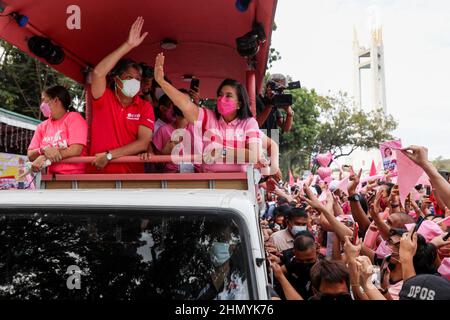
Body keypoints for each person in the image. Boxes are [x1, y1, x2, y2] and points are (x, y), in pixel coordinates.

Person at [154, 53, 261, 173]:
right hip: (209, 184)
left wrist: (221, 151)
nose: (222, 98)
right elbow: (185, 104)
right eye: (220, 95)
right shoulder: (208, 117)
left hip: (237, 185)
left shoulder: (249, 123)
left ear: (239, 104)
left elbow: (254, 155)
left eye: (228, 96)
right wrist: (162, 82)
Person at [89, 17, 154, 173]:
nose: (134, 82)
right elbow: (98, 73)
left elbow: (143, 143)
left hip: (131, 180)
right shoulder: (103, 97)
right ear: (116, 79)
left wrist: (109, 156)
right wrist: (128, 45)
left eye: (137, 79)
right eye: (128, 77)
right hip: (96, 178)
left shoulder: (145, 107)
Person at [27, 86, 87, 174]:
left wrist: (45, 157)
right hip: (48, 180)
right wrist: (43, 150)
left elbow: (75, 150)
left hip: (74, 180)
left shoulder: (74, 118)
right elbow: (30, 155)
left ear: (56, 100)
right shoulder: (42, 126)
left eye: (44, 100)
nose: (42, 104)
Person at [151, 90, 198, 173]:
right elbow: (156, 166)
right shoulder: (163, 130)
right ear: (173, 105)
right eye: (179, 100)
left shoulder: (198, 129)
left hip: (195, 178)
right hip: (170, 179)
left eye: (186, 101)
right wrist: (164, 153)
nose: (182, 105)